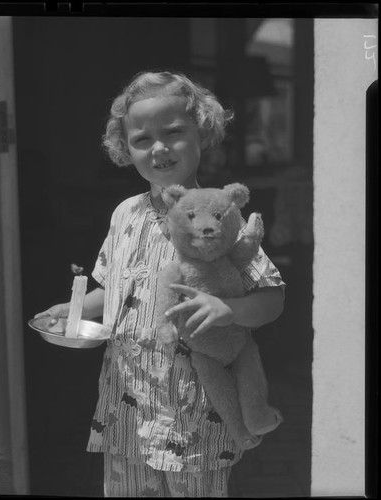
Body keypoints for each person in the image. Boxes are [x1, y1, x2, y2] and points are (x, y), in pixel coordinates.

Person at [35, 71, 286, 497]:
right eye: (142, 139)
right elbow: (115, 287)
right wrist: (74, 311)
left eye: (174, 132)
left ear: (202, 133)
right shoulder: (124, 214)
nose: (160, 148)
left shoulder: (221, 215)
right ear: (125, 149)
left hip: (191, 407)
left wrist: (231, 310)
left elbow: (272, 297)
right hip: (127, 406)